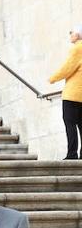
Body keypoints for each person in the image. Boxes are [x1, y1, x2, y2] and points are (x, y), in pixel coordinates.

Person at [48, 25, 82, 159]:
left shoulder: (77, 48)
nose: (70, 34)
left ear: (79, 35)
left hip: (72, 94)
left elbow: (67, 67)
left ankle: (72, 154)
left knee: (70, 123)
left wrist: (52, 78)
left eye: (72, 32)